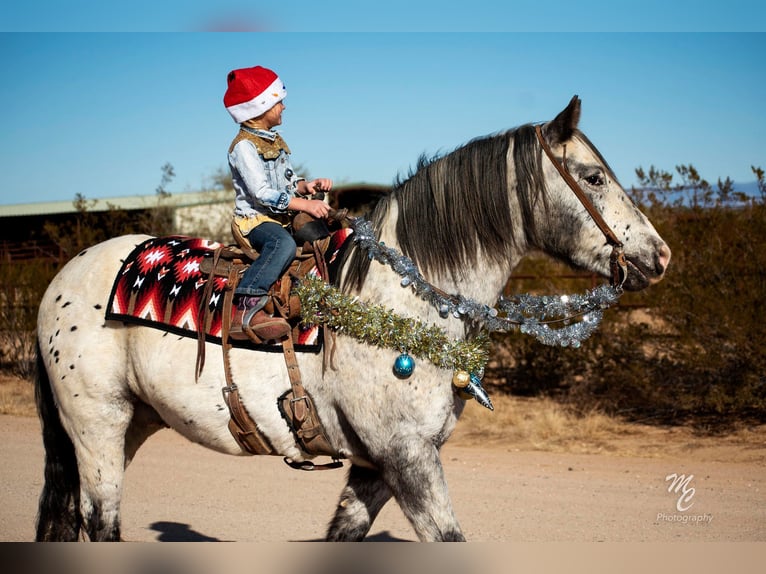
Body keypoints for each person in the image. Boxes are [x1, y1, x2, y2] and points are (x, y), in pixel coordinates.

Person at [223, 65, 332, 341]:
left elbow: (285, 183)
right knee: (282, 244)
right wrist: (304, 205)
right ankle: (247, 306)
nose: (283, 106)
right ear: (260, 108)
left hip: (281, 216)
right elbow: (260, 193)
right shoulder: (243, 148)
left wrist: (306, 187)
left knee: (322, 235)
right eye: (278, 101)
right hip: (256, 221)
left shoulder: (275, 141)